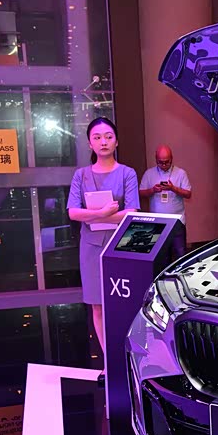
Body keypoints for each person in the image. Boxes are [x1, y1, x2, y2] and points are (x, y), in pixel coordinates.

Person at [67, 117, 140, 355]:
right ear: (90, 143)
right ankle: (109, 359)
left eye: (108, 136)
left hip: (121, 246)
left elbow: (132, 213)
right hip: (91, 248)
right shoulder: (81, 175)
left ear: (116, 141)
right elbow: (73, 212)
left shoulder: (128, 173)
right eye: (97, 138)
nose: (103, 142)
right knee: (97, 306)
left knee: (124, 303)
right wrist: (102, 213)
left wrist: (94, 217)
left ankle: (129, 355)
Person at [139, 145, 191, 259]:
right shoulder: (149, 173)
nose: (163, 165)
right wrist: (153, 190)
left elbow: (188, 194)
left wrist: (173, 188)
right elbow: (141, 193)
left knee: (180, 254)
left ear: (171, 159)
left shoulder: (180, 173)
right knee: (161, 256)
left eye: (166, 162)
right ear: (156, 159)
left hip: (177, 221)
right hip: (157, 222)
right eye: (160, 162)